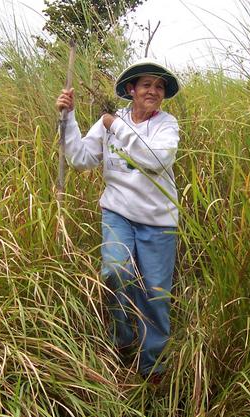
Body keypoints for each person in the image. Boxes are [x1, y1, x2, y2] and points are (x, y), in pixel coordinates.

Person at [55, 59, 181, 383]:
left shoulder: (167, 125)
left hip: (158, 220)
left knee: (154, 295)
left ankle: (152, 366)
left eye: (159, 86)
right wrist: (67, 119)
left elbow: (155, 161)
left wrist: (115, 126)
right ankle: (123, 340)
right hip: (118, 212)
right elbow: (80, 159)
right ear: (131, 90)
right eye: (146, 85)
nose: (153, 91)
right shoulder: (110, 123)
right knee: (116, 270)